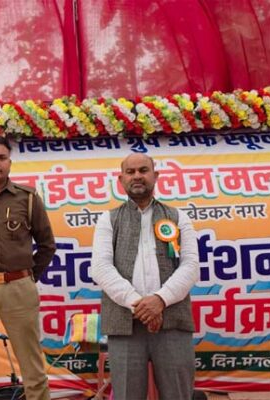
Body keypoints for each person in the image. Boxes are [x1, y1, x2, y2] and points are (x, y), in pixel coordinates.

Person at [90, 153, 199, 400]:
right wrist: (139, 305)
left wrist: (160, 300)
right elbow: (101, 268)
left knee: (179, 394)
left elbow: (191, 265)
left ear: (155, 176)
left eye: (143, 170)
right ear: (121, 180)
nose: (137, 176)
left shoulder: (178, 217)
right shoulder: (108, 219)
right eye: (130, 172)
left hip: (172, 321)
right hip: (125, 324)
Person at [0, 136, 56, 400]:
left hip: (19, 288)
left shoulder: (27, 198)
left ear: (9, 163)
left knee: (33, 370)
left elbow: (47, 245)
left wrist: (28, 278)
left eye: (2, 158)